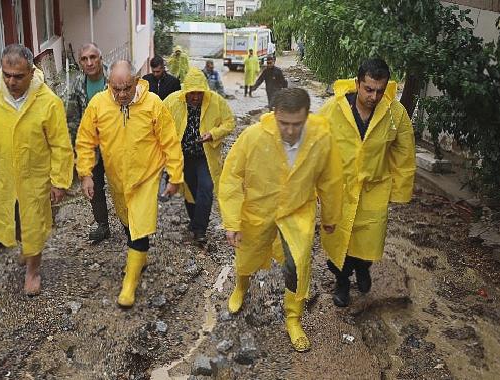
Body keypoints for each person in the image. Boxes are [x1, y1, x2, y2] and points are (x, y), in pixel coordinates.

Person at [219, 88, 343, 352]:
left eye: (296, 124)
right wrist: (232, 221)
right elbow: (231, 176)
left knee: (297, 264)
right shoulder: (254, 136)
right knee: (247, 253)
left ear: (306, 117)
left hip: (297, 210)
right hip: (259, 208)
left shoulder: (321, 140)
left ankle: (293, 318)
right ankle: (241, 287)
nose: (289, 130)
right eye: (283, 123)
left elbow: (330, 180)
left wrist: (331, 216)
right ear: (274, 114)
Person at [0, 44, 74, 296]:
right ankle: (26, 246)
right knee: (12, 217)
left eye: (18, 76)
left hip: (35, 174)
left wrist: (59, 181)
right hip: (3, 173)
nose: (11, 81)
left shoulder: (48, 102)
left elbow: (60, 144)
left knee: (33, 221)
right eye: (7, 74)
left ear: (31, 72)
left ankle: (33, 270)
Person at [76, 61, 184, 307]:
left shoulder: (153, 104)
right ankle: (140, 256)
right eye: (116, 89)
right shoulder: (98, 105)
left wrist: (175, 175)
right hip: (117, 178)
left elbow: (170, 142)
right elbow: (85, 141)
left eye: (126, 88)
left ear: (136, 81)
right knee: (127, 221)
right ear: (109, 85)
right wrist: (86, 173)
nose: (122, 94)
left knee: (140, 226)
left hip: (146, 176)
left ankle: (129, 284)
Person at [318, 58, 416, 307]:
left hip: (374, 190)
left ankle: (363, 268)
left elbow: (404, 154)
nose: (374, 96)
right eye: (368, 89)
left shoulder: (395, 113)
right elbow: (313, 147)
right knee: (339, 243)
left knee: (368, 242)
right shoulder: (332, 110)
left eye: (380, 91)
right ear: (357, 83)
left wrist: (401, 191)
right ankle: (342, 283)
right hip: (340, 190)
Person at [163, 67, 234, 243]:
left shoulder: (216, 101)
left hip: (205, 156)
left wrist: (213, 134)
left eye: (199, 93)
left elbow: (230, 122)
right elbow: (158, 122)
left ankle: (200, 229)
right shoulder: (172, 102)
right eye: (191, 93)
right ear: (185, 91)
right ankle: (195, 223)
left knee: (206, 188)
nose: (195, 97)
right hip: (182, 155)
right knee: (189, 190)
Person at [66, 43, 112, 243]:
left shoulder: (115, 78)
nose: (90, 62)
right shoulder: (77, 86)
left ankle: (133, 227)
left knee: (125, 186)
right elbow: (73, 120)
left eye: (93, 57)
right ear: (80, 63)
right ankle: (102, 225)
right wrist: (76, 152)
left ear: (101, 59)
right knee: (95, 187)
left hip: (117, 144)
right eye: (84, 59)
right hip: (92, 147)